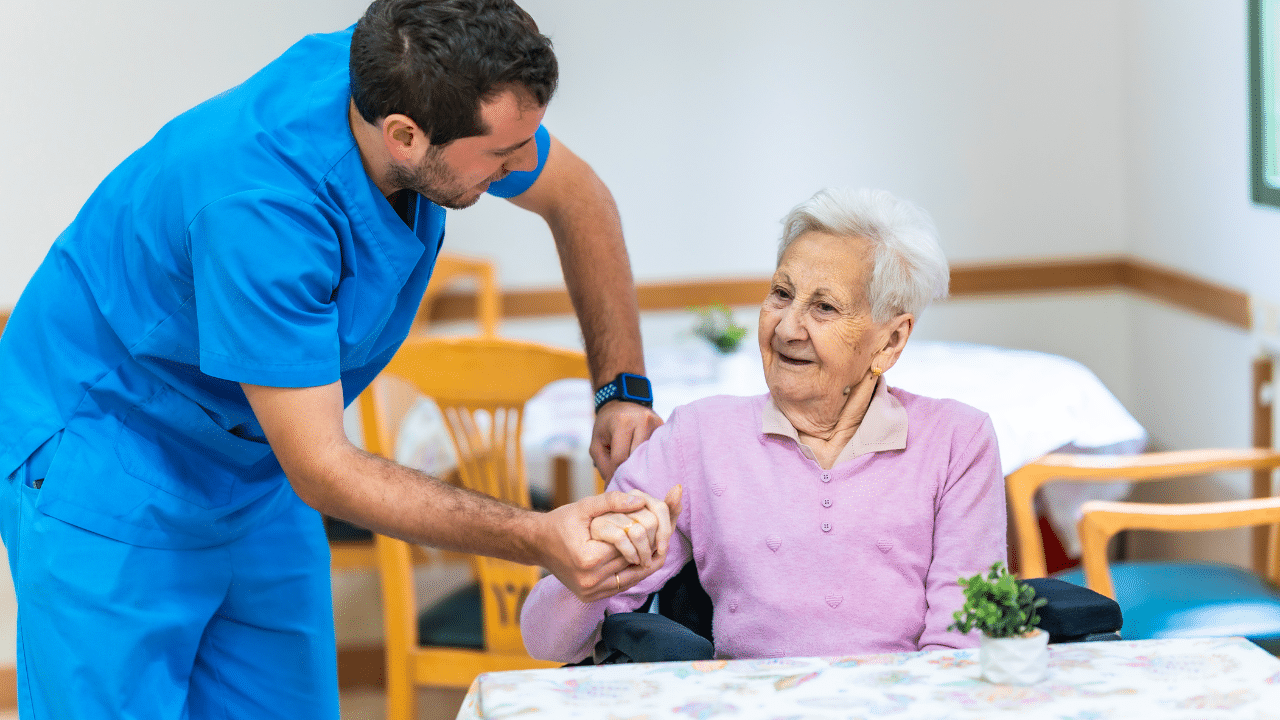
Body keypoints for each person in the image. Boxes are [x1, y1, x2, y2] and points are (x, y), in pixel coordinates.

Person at [0, 1, 675, 717]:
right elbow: (324, 466)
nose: (522, 165)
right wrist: (537, 536)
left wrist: (620, 389)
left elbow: (579, 197)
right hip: (107, 454)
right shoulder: (260, 207)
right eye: (503, 155)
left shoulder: (406, 71)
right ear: (406, 137)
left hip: (253, 463)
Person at [521, 188, 1008, 662]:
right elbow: (547, 641)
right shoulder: (698, 437)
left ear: (890, 341)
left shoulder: (957, 441)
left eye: (824, 307)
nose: (787, 327)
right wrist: (600, 568)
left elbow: (964, 649)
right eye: (781, 293)